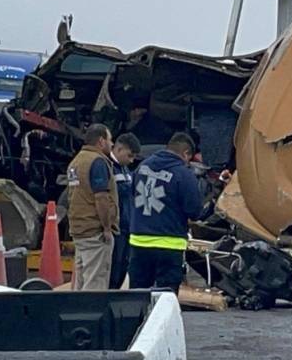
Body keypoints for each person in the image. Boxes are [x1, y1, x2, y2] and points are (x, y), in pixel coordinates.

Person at [128, 132, 206, 293]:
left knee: (137, 297)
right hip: (169, 244)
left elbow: (131, 194)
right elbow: (194, 211)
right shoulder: (183, 174)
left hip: (139, 242)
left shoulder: (142, 167)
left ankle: (139, 319)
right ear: (186, 154)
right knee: (166, 298)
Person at [66, 123, 119, 291]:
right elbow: (101, 197)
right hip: (95, 230)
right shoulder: (97, 162)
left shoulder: (76, 161)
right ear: (101, 141)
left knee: (81, 281)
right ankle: (91, 314)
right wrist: (106, 228)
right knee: (95, 281)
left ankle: (77, 314)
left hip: (79, 228)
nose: (112, 145)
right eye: (110, 140)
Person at [109, 132, 141, 289]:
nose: (131, 160)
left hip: (127, 226)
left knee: (123, 266)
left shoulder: (126, 171)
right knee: (114, 267)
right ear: (119, 149)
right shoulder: (108, 167)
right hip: (116, 227)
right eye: (129, 155)